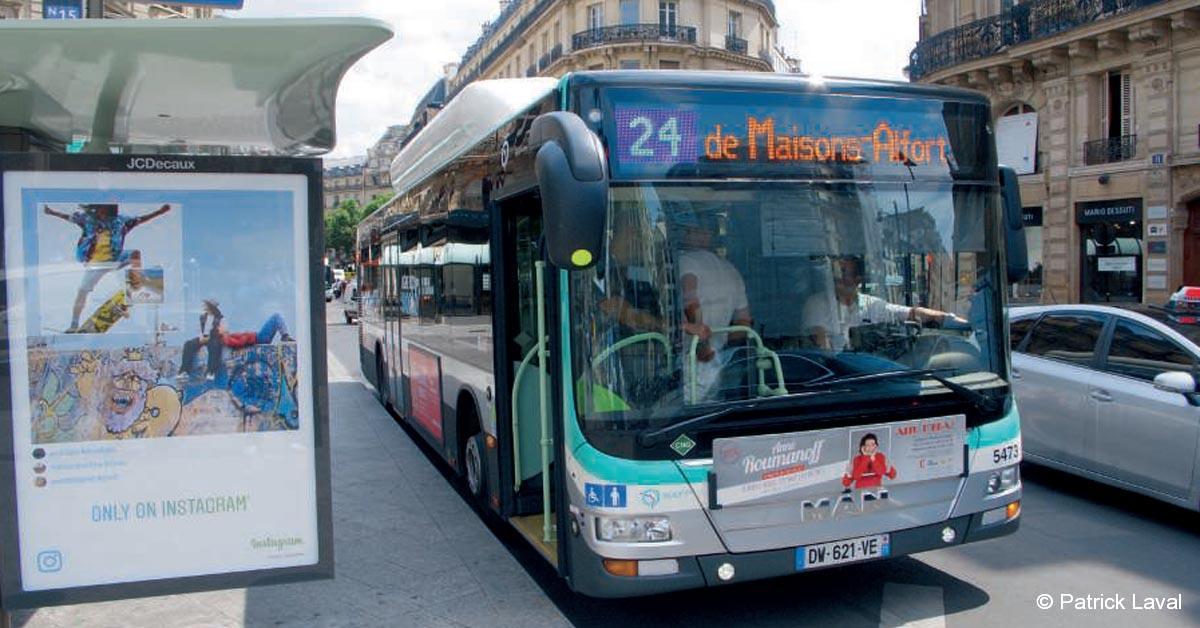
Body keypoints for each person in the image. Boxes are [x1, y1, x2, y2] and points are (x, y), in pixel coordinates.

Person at [43, 202, 172, 332]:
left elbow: (140, 220)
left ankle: (135, 286)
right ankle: (74, 324)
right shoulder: (88, 219)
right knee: (82, 292)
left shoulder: (120, 221)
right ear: (99, 212)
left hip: (115, 260)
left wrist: (159, 212)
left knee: (135, 254)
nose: (104, 218)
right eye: (102, 215)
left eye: (107, 216)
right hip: (95, 265)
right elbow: (68, 217)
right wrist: (52, 212)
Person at [803, 255, 964, 352]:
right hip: (832, 379)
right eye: (835, 272)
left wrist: (947, 318)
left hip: (870, 374)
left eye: (843, 272)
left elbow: (911, 313)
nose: (837, 277)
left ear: (858, 280)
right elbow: (821, 343)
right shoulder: (816, 304)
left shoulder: (873, 305)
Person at [674, 212, 752, 400]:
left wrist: (702, 345)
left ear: (704, 234)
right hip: (718, 361)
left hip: (693, 356)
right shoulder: (731, 270)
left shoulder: (686, 261)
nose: (686, 235)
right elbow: (744, 323)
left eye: (690, 231)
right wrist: (722, 349)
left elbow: (691, 300)